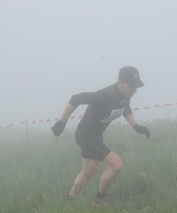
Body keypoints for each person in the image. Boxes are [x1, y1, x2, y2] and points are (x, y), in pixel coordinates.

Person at [51, 66, 150, 204]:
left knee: (89, 171)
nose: (134, 90)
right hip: (85, 136)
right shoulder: (106, 95)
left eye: (136, 86)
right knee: (116, 165)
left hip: (96, 136)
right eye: (132, 86)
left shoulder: (125, 95)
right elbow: (76, 98)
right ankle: (100, 198)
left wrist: (136, 126)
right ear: (120, 82)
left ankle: (69, 200)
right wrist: (62, 122)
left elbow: (125, 108)